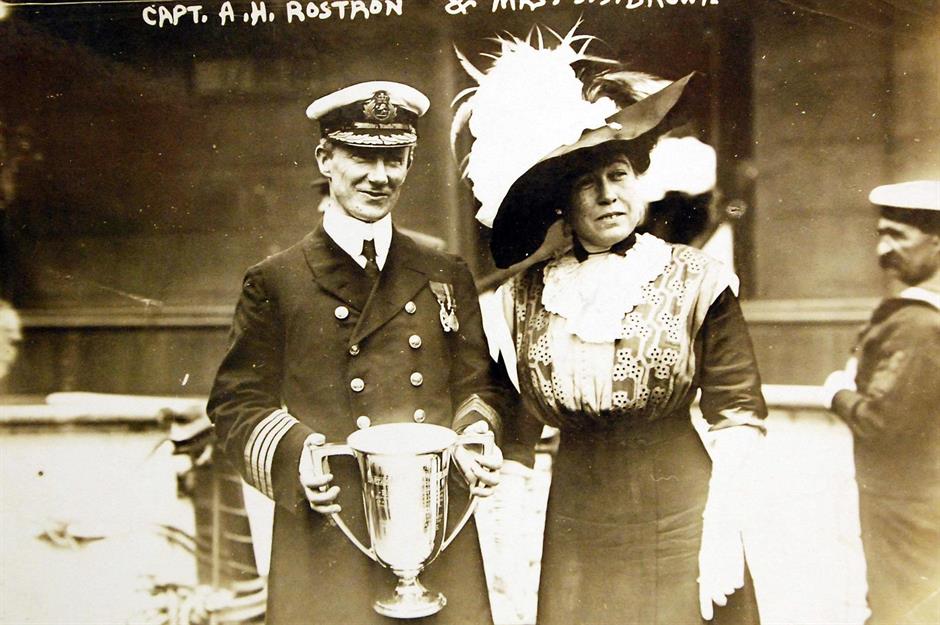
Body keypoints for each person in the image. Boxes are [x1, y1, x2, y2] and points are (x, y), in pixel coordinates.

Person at [452, 27, 768, 624]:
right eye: (585, 184)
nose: (607, 196)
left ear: (639, 181)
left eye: (618, 175)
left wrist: (723, 526)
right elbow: (511, 428)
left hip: (683, 508)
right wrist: (506, 540)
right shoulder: (523, 298)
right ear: (562, 205)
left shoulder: (698, 280)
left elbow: (738, 412)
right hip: (579, 518)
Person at [208, 81, 506, 625]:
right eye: (362, 157)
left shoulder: (445, 271)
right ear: (325, 159)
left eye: (394, 159)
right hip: (328, 522)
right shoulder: (276, 281)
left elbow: (479, 384)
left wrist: (476, 435)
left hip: (433, 518)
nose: (379, 176)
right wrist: (298, 458)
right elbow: (236, 403)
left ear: (409, 162)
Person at [822, 180, 940, 625]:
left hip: (908, 509)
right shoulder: (917, 317)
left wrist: (837, 393)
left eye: (898, 236)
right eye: (881, 235)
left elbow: (880, 421)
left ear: (937, 241)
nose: (883, 249)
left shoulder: (916, 326)